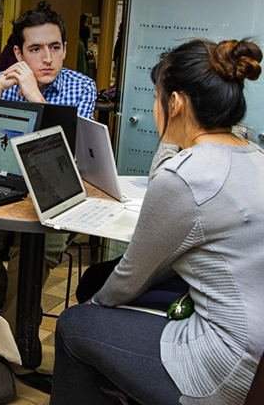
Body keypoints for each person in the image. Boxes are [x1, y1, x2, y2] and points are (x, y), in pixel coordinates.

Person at [51, 38, 264, 405]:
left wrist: (96, 306)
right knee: (101, 285)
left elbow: (132, 275)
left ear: (176, 103)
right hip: (255, 344)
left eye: (156, 97)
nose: (154, 108)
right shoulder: (254, 154)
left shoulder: (184, 175)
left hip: (224, 363)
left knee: (74, 324)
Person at [0, 2, 96, 383]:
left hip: (56, 203)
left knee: (26, 258)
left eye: (54, 47)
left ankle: (7, 348)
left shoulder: (82, 87)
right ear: (19, 52)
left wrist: (36, 98)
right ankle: (9, 334)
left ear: (66, 48)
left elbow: (67, 161)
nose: (47, 58)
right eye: (35, 49)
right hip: (10, 200)